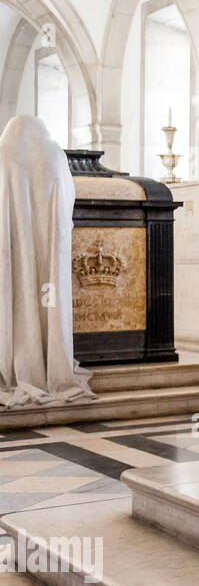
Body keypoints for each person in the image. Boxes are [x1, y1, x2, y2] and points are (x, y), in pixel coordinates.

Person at [0, 115, 94, 407]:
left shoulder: (6, 155)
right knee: (48, 301)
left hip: (13, 252)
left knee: (17, 294)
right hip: (51, 256)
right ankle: (50, 361)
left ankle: (17, 362)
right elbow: (67, 203)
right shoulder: (54, 155)